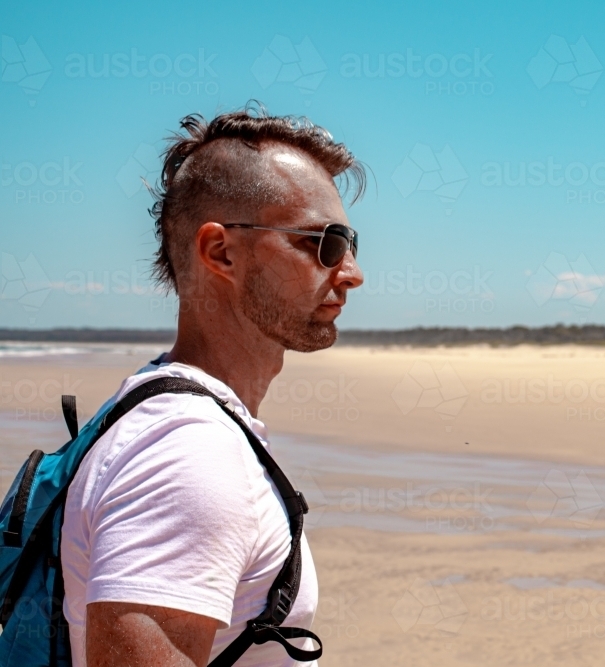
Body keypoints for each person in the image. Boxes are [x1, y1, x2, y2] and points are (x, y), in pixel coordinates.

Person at [60, 105, 365, 666]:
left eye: (349, 244)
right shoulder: (190, 452)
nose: (349, 271)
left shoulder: (167, 411)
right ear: (220, 252)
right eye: (322, 243)